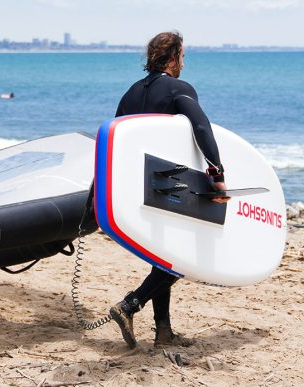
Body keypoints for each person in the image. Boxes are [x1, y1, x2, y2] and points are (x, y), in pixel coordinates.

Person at [109, 31, 230, 349]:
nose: (183, 63)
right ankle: (130, 305)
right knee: (185, 256)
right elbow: (201, 126)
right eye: (183, 56)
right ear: (173, 56)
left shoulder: (130, 94)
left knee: (162, 254)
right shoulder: (180, 88)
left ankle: (163, 331)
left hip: (134, 185)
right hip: (168, 184)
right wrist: (216, 172)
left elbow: (115, 142)